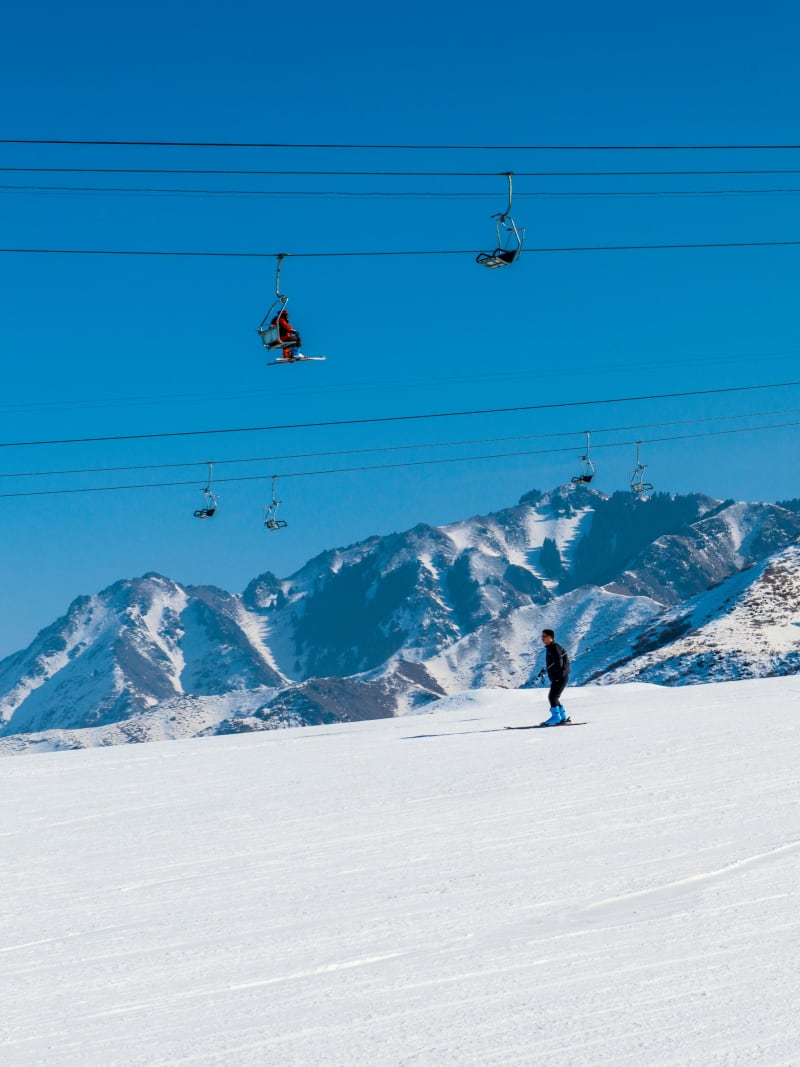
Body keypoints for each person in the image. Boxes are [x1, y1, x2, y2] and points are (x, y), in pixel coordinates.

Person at [537, 629, 570, 726]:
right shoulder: (551, 647)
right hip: (560, 676)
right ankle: (562, 717)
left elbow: (558, 664)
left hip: (560, 676)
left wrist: (550, 670)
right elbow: (554, 663)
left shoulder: (555, 648)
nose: (542, 638)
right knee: (555, 697)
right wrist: (546, 670)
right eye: (542, 636)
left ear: (550, 637)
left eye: (544, 636)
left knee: (552, 697)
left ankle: (556, 718)